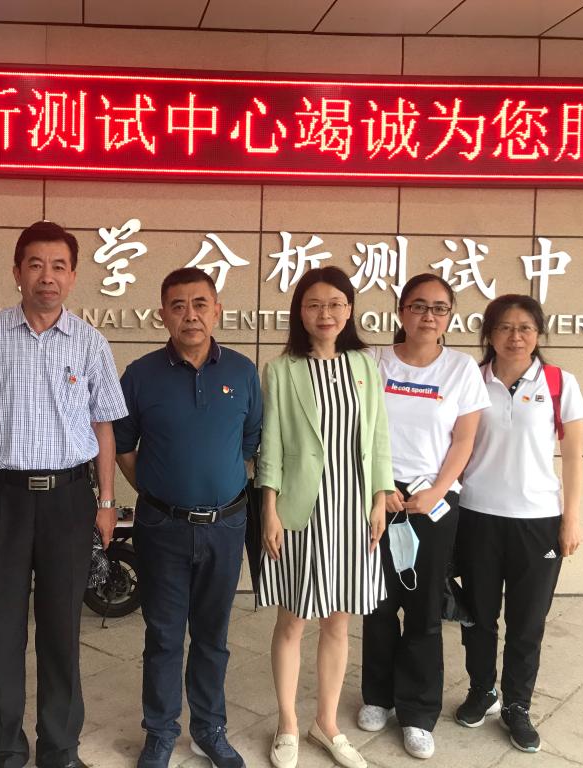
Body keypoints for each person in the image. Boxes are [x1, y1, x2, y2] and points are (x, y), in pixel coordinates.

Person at [0, 220, 128, 768]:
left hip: (68, 500)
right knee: (0, 627)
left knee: (61, 628)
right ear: (17, 272)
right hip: (0, 497)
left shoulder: (91, 342)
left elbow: (104, 427)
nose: (47, 276)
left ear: (72, 276)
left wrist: (106, 501)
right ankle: (5, 747)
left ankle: (59, 746)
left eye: (58, 266)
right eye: (36, 265)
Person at [114, 268, 262, 768]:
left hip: (226, 525)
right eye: (178, 305)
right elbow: (123, 446)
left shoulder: (242, 371)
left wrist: (215, 489)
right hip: (162, 527)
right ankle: (160, 732)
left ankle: (209, 728)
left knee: (213, 635)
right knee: (163, 635)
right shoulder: (140, 374)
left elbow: (249, 444)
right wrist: (158, 491)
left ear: (217, 310)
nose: (190, 315)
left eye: (200, 304)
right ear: (163, 315)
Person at [256, 266, 392, 768]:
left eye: (335, 303)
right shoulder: (282, 369)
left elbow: (378, 436)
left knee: (339, 621)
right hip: (301, 510)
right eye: (314, 304)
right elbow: (271, 443)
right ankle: (288, 724)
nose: (325, 313)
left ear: (349, 310)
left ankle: (327, 724)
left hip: (353, 510)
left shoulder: (365, 365)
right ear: (300, 312)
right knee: (292, 620)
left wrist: (379, 498)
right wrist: (269, 508)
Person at [357, 273, 490, 760]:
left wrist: (435, 491)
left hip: (434, 501)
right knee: (376, 603)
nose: (428, 316)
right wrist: (380, 486)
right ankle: (378, 697)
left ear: (449, 316)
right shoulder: (373, 361)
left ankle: (417, 712)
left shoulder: (461, 369)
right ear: (400, 312)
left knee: (424, 609)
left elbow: (464, 440)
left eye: (438, 308)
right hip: (377, 497)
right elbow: (358, 429)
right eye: (417, 306)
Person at [453, 294, 583, 753]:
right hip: (477, 515)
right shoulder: (471, 379)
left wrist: (571, 519)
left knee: (527, 621)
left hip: (538, 520)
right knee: (478, 616)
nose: (515, 337)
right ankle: (482, 690)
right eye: (505, 328)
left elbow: (573, 458)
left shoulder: (559, 383)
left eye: (525, 328)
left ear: (538, 333)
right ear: (488, 333)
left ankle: (517, 705)